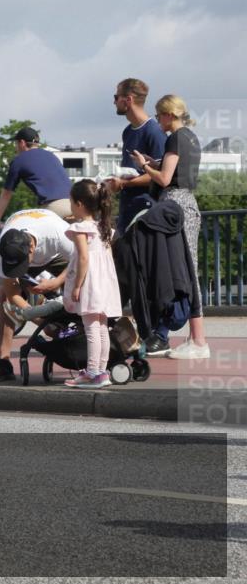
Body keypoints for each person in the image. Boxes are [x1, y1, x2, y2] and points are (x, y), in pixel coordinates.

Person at [132, 93, 209, 359]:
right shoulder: (190, 137)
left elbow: (165, 179)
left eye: (158, 115)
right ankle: (192, 337)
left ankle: (198, 341)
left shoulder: (174, 138)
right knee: (188, 269)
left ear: (168, 114)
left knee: (183, 271)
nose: (157, 120)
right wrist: (153, 163)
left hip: (175, 206)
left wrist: (145, 166)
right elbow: (176, 170)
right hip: (188, 203)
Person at [104, 78, 168, 354]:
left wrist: (124, 183)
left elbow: (159, 176)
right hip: (127, 211)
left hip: (145, 212)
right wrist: (118, 182)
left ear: (128, 99)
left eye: (116, 96)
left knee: (141, 275)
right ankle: (123, 331)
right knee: (123, 274)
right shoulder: (128, 132)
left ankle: (154, 333)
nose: (114, 101)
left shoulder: (153, 132)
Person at [0, 208, 74, 381]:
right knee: (4, 295)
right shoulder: (2, 249)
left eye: (20, 264)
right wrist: (37, 318)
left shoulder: (58, 234)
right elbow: (12, 294)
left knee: (80, 284)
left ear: (32, 248)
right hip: (23, 240)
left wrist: (57, 282)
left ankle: (81, 340)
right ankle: (3, 363)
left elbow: (82, 260)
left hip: (57, 254)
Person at [61, 180, 122, 388]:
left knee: (91, 328)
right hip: (104, 282)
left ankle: (93, 372)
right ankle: (101, 371)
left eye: (71, 202)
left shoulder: (80, 229)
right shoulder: (103, 227)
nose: (70, 206)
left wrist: (77, 286)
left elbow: (84, 258)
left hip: (90, 282)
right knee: (102, 327)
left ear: (79, 204)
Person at [0, 126, 72, 230]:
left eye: (16, 144)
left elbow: (6, 194)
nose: (16, 148)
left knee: (26, 234)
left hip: (54, 209)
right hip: (76, 204)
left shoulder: (19, 161)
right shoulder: (52, 156)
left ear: (22, 143)